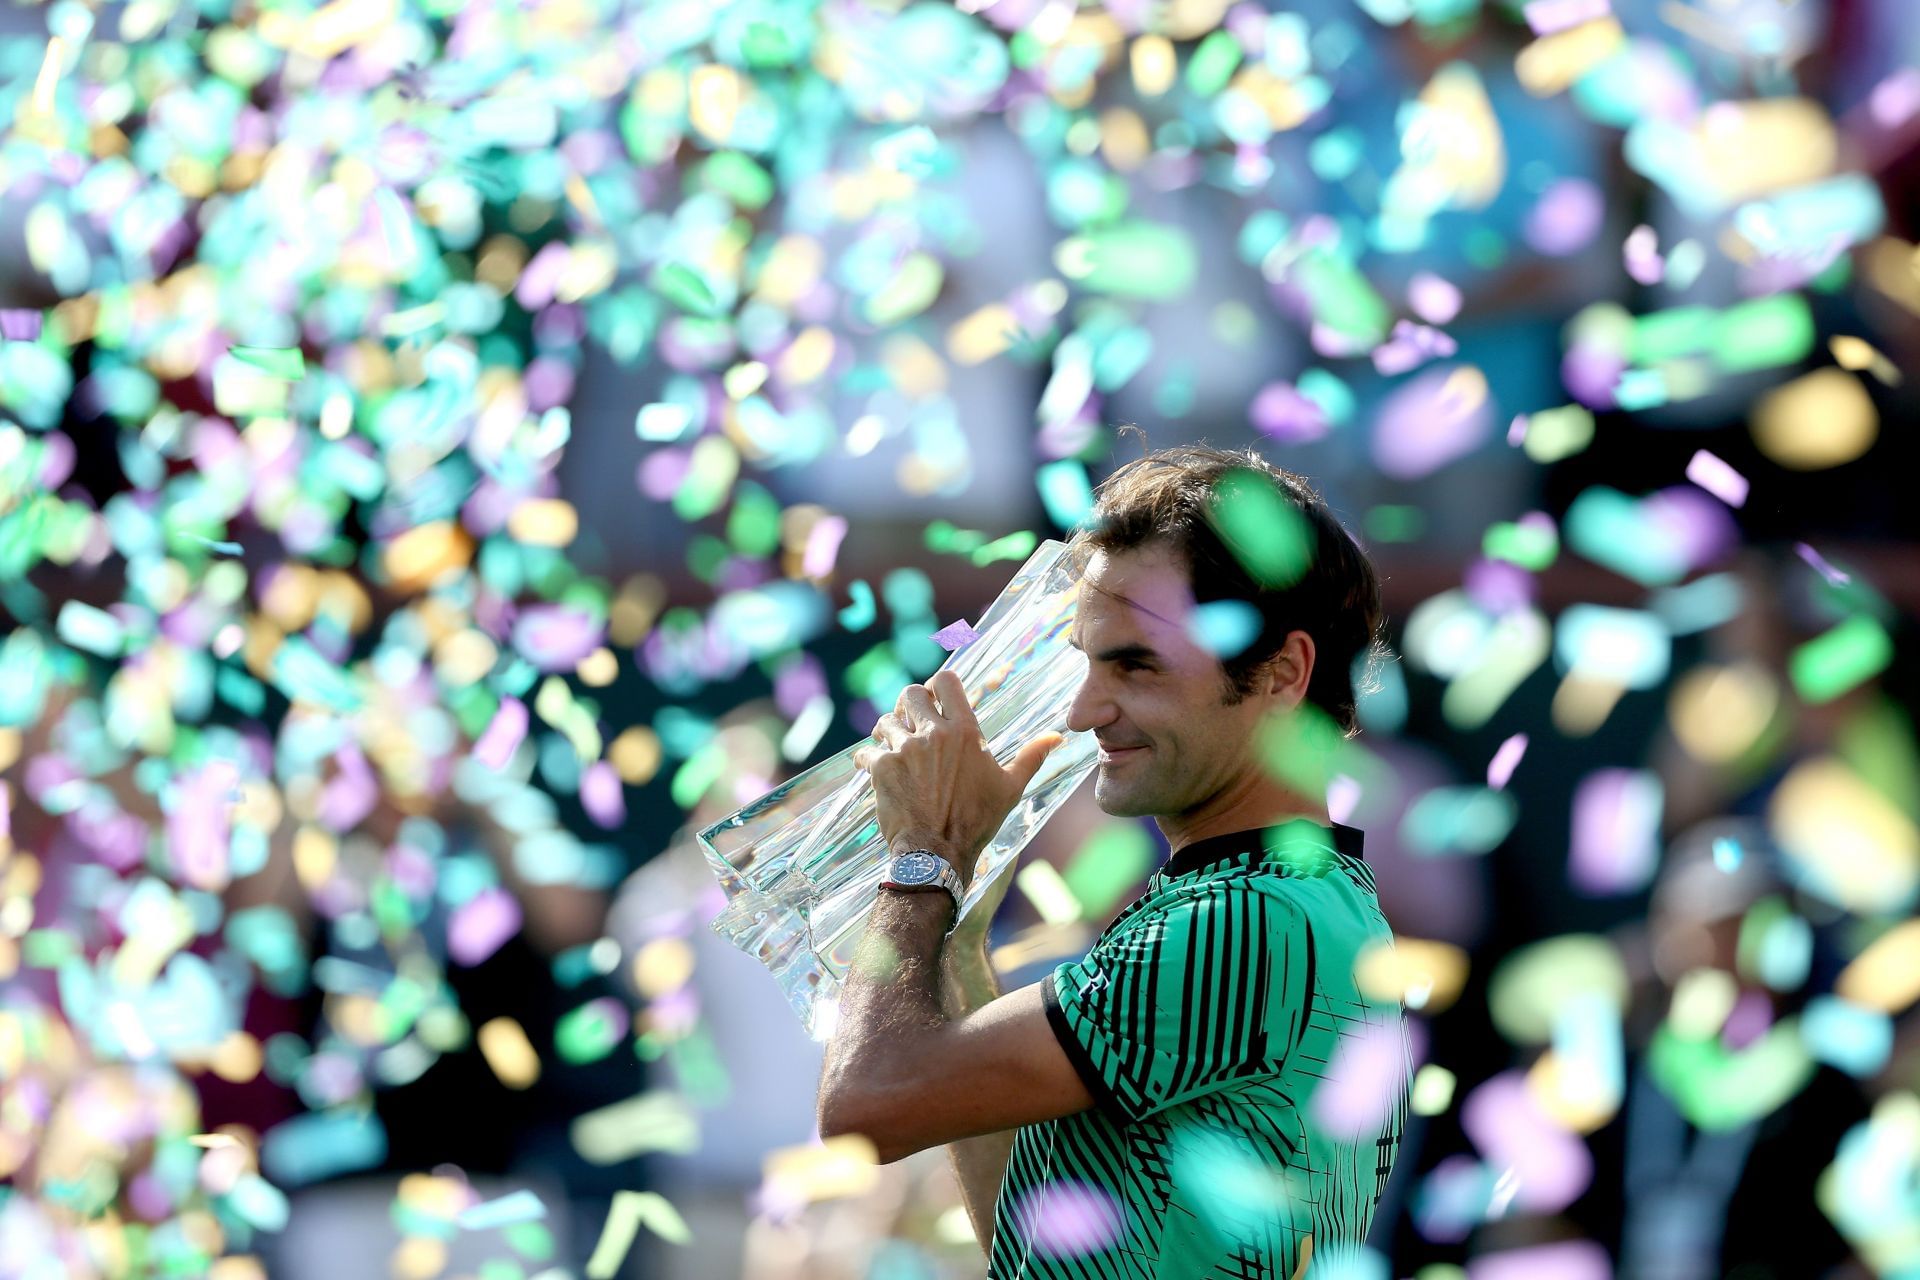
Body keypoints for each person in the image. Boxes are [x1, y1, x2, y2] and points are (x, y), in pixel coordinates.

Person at [815, 442, 1413, 1278]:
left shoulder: (1240, 924)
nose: (1086, 707)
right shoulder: (1296, 904)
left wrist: (923, 859)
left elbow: (868, 1106)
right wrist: (954, 931)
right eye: (1088, 661)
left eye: (1135, 664)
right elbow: (1026, 1243)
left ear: (1281, 672)